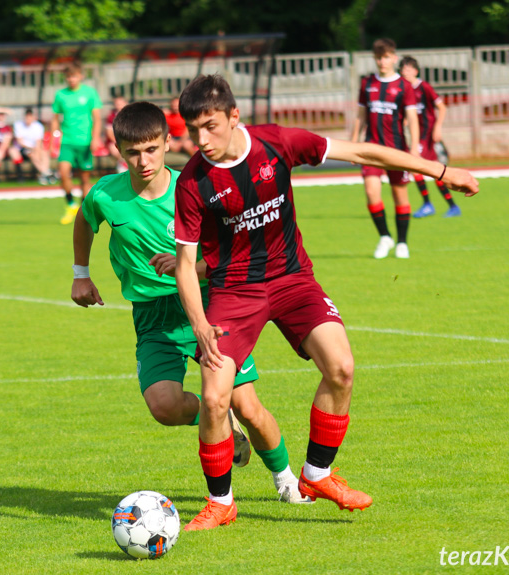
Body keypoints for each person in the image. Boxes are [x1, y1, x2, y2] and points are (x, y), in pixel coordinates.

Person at [173, 74, 478, 531]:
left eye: (210, 126)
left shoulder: (277, 143)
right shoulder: (194, 182)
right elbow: (184, 265)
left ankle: (317, 475)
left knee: (341, 367)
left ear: (234, 116)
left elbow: (363, 151)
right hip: (235, 292)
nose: (202, 140)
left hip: (293, 279)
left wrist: (439, 170)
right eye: (193, 130)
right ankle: (221, 503)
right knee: (216, 398)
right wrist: (199, 323)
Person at [71, 101, 312, 504]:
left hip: (207, 306)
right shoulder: (105, 195)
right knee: (163, 406)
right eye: (132, 152)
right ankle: (217, 418)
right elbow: (84, 221)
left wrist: (193, 268)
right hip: (152, 317)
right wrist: (81, 274)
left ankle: (287, 480)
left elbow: (233, 251)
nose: (143, 160)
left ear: (168, 143)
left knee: (248, 405)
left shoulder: (197, 187)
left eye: (151, 149)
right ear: (118, 150)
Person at [351, 38, 420, 259]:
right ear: (375, 59)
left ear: (394, 58)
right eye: (379, 57)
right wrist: (353, 144)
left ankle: (402, 242)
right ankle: (384, 237)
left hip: (397, 150)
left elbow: (412, 118)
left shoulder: (404, 86)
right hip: (370, 148)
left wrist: (415, 149)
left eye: (387, 57)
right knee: (371, 193)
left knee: (400, 196)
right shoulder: (367, 84)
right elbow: (360, 116)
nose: (383, 61)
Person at [399, 56, 461, 218]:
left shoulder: (424, 87)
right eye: (402, 69)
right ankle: (451, 206)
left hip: (426, 135)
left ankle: (428, 204)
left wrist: (438, 127)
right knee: (435, 171)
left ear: (415, 71)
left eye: (408, 69)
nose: (405, 72)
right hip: (417, 135)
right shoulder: (405, 89)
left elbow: (442, 107)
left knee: (415, 167)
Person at [51, 62, 102, 225]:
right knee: (63, 172)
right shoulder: (61, 95)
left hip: (85, 142)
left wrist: (95, 138)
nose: (71, 79)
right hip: (67, 141)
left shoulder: (90, 93)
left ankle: (83, 211)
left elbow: (97, 118)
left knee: (84, 180)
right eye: (68, 77)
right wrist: (55, 137)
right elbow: (55, 118)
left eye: (74, 76)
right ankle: (70, 204)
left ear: (80, 76)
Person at [14, 107, 56, 185]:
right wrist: (33, 149)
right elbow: (20, 142)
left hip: (35, 148)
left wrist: (37, 149)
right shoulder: (19, 125)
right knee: (32, 155)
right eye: (27, 118)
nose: (28, 120)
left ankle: (44, 174)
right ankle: (47, 173)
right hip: (23, 149)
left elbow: (38, 142)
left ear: (33, 117)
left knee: (44, 152)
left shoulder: (38, 126)